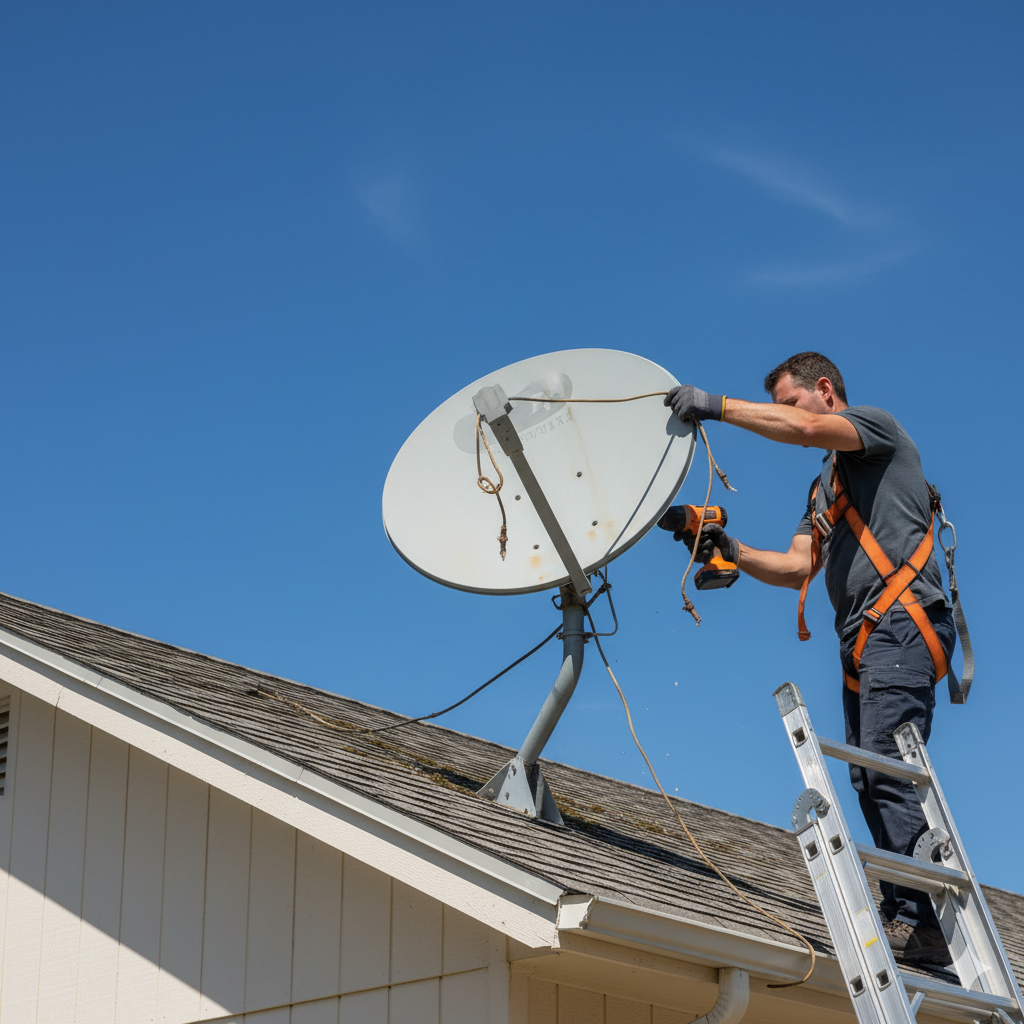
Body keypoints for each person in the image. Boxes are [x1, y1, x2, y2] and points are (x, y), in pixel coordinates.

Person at [660, 351, 956, 965]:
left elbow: (803, 430)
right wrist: (731, 549)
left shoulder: (876, 429)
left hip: (901, 623)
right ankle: (913, 912)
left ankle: (922, 922)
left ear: (825, 390)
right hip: (867, 640)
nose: (785, 413)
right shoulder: (823, 488)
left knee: (882, 768)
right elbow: (798, 566)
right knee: (866, 774)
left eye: (788, 399)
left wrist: (715, 406)